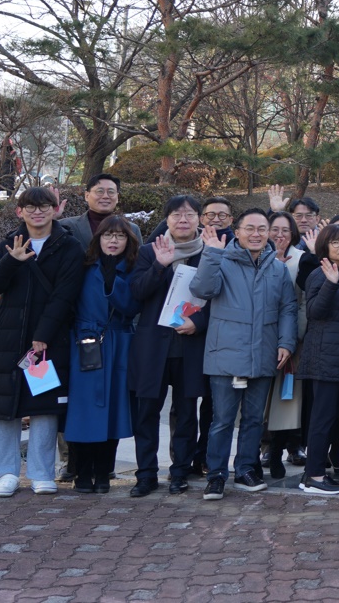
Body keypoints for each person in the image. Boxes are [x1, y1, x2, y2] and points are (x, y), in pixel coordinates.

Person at [0, 186, 84, 498]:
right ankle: (4, 473)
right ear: (19, 211)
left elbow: (65, 295)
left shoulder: (68, 247)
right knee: (2, 405)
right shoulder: (10, 243)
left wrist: (42, 336)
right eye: (31, 207)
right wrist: (12, 260)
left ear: (56, 210)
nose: (38, 212)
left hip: (47, 343)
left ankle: (41, 473)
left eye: (44, 206)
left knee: (44, 406)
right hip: (6, 339)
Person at [190, 208, 299, 500]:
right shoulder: (221, 259)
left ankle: (246, 469)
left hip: (264, 352)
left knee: (253, 419)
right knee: (223, 419)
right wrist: (211, 254)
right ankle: (216, 475)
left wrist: (286, 342)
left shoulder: (277, 268)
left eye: (262, 229)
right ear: (236, 232)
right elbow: (201, 288)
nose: (256, 234)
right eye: (249, 228)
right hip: (225, 354)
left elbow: (288, 307)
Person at [128, 195, 211, 496]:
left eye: (190, 214)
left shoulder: (209, 253)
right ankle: (146, 474)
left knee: (187, 412)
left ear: (199, 219)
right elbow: (137, 293)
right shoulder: (150, 252)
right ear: (167, 220)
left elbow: (219, 299)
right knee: (147, 412)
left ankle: (180, 473)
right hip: (153, 347)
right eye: (176, 215)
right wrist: (159, 267)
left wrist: (198, 324)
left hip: (190, 345)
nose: (183, 220)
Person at [65, 215, 141, 494]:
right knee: (84, 410)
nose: (113, 240)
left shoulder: (132, 269)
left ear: (128, 241)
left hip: (120, 343)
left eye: (120, 236)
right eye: (108, 235)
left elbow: (130, 308)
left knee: (114, 410)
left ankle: (104, 473)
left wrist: (113, 280)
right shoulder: (83, 267)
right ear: (98, 239)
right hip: (85, 342)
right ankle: (81, 472)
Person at [295, 223, 339, 495]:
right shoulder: (321, 275)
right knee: (321, 419)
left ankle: (316, 471)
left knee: (329, 418)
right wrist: (330, 285)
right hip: (324, 359)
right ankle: (314, 476)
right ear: (325, 247)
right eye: (336, 242)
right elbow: (315, 312)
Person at [263, 209, 314, 479]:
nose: (280, 235)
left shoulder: (301, 259)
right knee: (259, 401)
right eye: (275, 230)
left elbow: (304, 303)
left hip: (292, 340)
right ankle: (263, 446)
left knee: (286, 400)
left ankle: (281, 450)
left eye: (285, 230)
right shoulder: (257, 257)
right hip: (260, 339)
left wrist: (294, 339)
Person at [58, 174, 121, 248]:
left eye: (111, 192)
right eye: (100, 191)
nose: (105, 196)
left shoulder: (131, 229)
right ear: (87, 196)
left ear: (117, 198)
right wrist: (51, 219)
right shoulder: (65, 225)